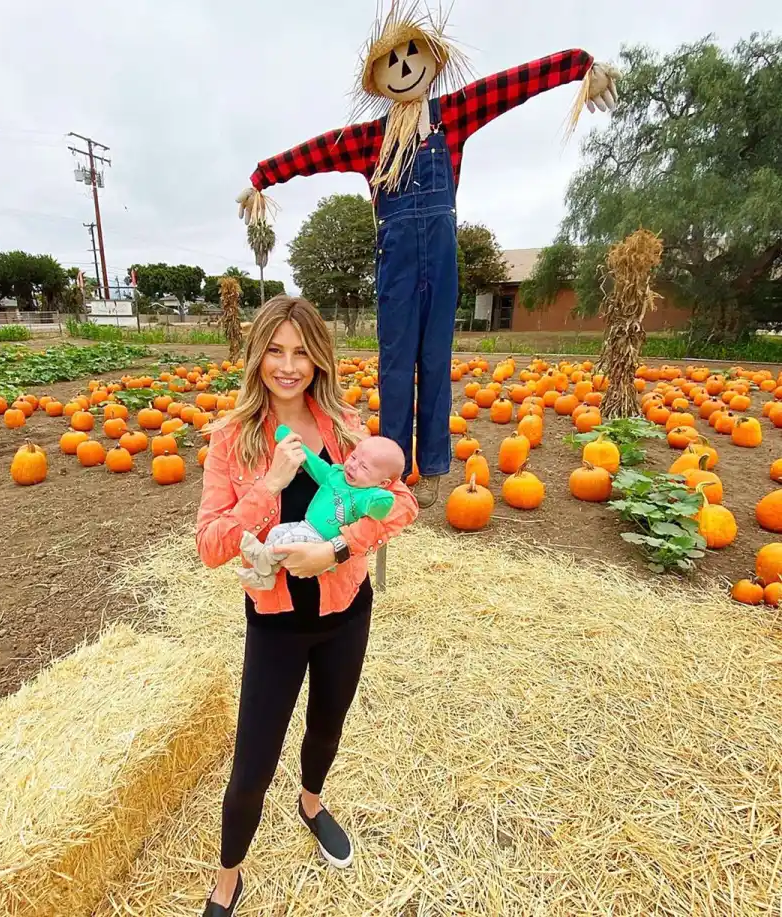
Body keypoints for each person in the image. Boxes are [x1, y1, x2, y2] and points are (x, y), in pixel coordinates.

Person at [236, 3, 619, 509]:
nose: (403, 67)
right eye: (391, 62)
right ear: (378, 79)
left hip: (440, 259)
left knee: (436, 360)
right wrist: (262, 178)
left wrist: (579, 66)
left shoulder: (453, 115)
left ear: (433, 62)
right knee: (395, 366)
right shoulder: (369, 140)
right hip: (394, 263)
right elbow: (315, 152)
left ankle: (435, 466)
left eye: (412, 55)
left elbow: (513, 85)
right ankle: (390, 471)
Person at [196, 294, 419, 915]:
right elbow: (210, 545)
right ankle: (228, 877)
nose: (288, 366)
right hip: (276, 623)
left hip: (346, 610)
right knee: (253, 760)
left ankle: (312, 802)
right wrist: (268, 484)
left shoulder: (345, 426)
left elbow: (401, 504)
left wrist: (338, 550)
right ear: (257, 356)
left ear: (319, 357)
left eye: (301, 352)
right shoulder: (231, 438)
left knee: (327, 722)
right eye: (275, 351)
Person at [237, 425, 405, 590]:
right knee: (277, 532)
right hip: (307, 525)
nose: (353, 466)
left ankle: (261, 558)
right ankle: (266, 576)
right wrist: (289, 439)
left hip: (321, 540)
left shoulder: (367, 495)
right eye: (353, 457)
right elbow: (313, 463)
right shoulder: (335, 476)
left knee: (285, 543)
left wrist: (381, 500)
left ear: (383, 483)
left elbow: (383, 510)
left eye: (364, 467)